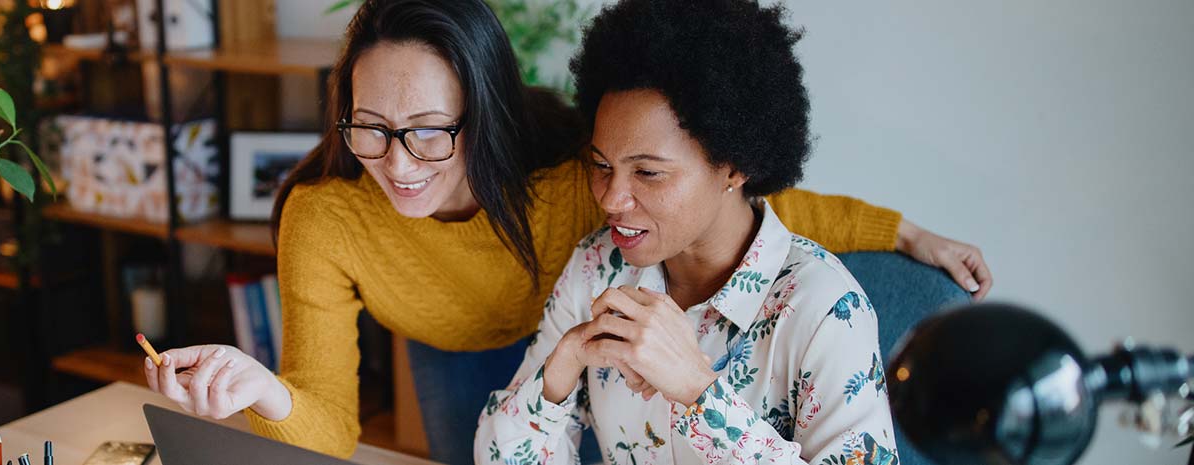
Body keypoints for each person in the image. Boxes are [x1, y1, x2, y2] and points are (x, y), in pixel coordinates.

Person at [145, 0, 979, 460]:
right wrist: (554, 377)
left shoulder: (814, 303)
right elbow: (490, 453)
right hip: (461, 340)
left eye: (429, 129)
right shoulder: (603, 260)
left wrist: (909, 235)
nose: (396, 161)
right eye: (369, 127)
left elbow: (778, 209)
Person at [476, 1, 900, 463]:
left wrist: (698, 390)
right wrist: (564, 362)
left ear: (734, 166)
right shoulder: (597, 267)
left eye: (648, 173)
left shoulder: (825, 311)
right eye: (601, 165)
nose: (610, 199)